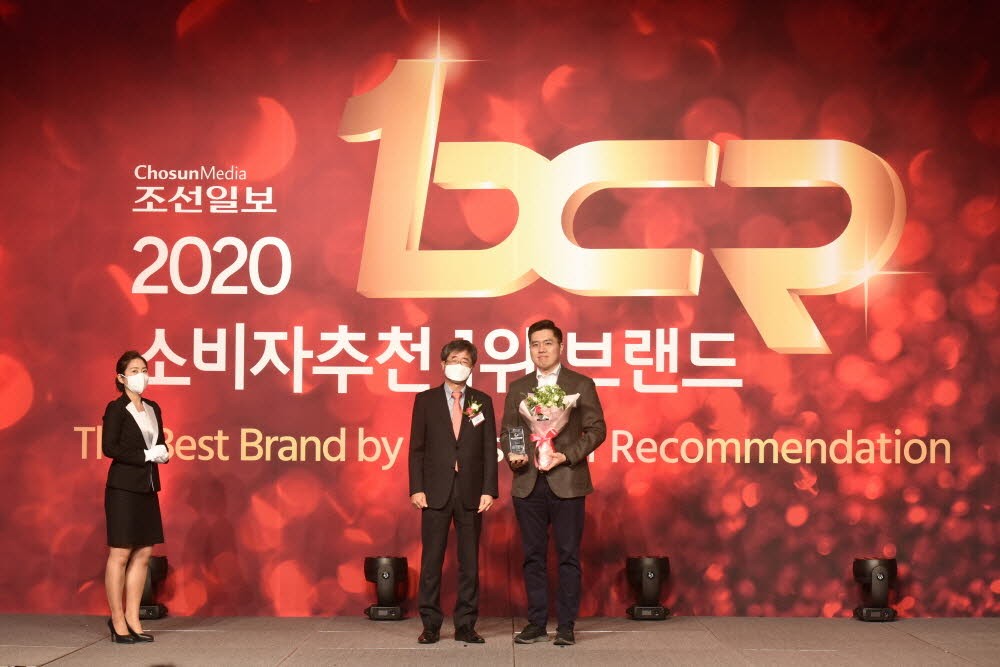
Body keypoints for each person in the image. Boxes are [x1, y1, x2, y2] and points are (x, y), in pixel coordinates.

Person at [501, 320, 606, 646]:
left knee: (568, 556)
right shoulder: (518, 387)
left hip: (567, 481)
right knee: (532, 556)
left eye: (547, 343)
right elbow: (509, 431)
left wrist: (566, 455)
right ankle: (536, 623)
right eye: (535, 344)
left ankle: (566, 626)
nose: (541, 349)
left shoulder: (581, 383)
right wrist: (515, 455)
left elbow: (597, 429)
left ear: (561, 346)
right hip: (528, 482)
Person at [408, 339, 499, 644]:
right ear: (443, 364)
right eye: (454, 359)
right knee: (431, 562)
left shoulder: (482, 401)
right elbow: (416, 449)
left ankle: (466, 625)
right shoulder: (425, 400)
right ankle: (430, 624)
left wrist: (489, 489)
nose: (459, 365)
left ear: (472, 367)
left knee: (469, 563)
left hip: (471, 491)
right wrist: (417, 488)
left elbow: (489, 448)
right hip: (435, 491)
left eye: (465, 361)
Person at [101, 351, 171, 644]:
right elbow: (110, 447)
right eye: (134, 370)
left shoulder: (153, 407)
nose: (140, 375)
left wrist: (163, 452)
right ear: (121, 377)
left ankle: (133, 618)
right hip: (123, 489)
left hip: (147, 487)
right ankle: (117, 620)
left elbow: (159, 443)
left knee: (143, 553)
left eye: (144, 369)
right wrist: (145, 455)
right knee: (120, 554)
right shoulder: (116, 409)